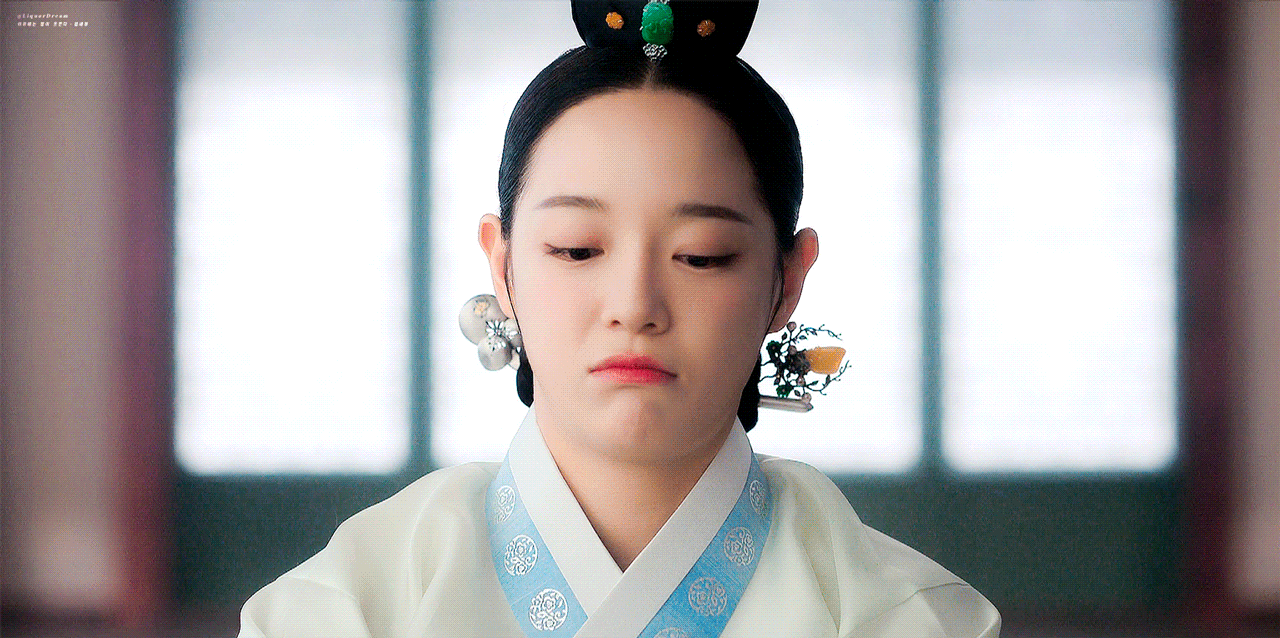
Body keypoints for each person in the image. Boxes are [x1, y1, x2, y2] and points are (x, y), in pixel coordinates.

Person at [238, 2, 1000, 636]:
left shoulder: (904, 618)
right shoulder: (344, 610)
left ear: (787, 281)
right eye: (577, 249)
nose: (635, 305)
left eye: (701, 256)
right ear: (502, 265)